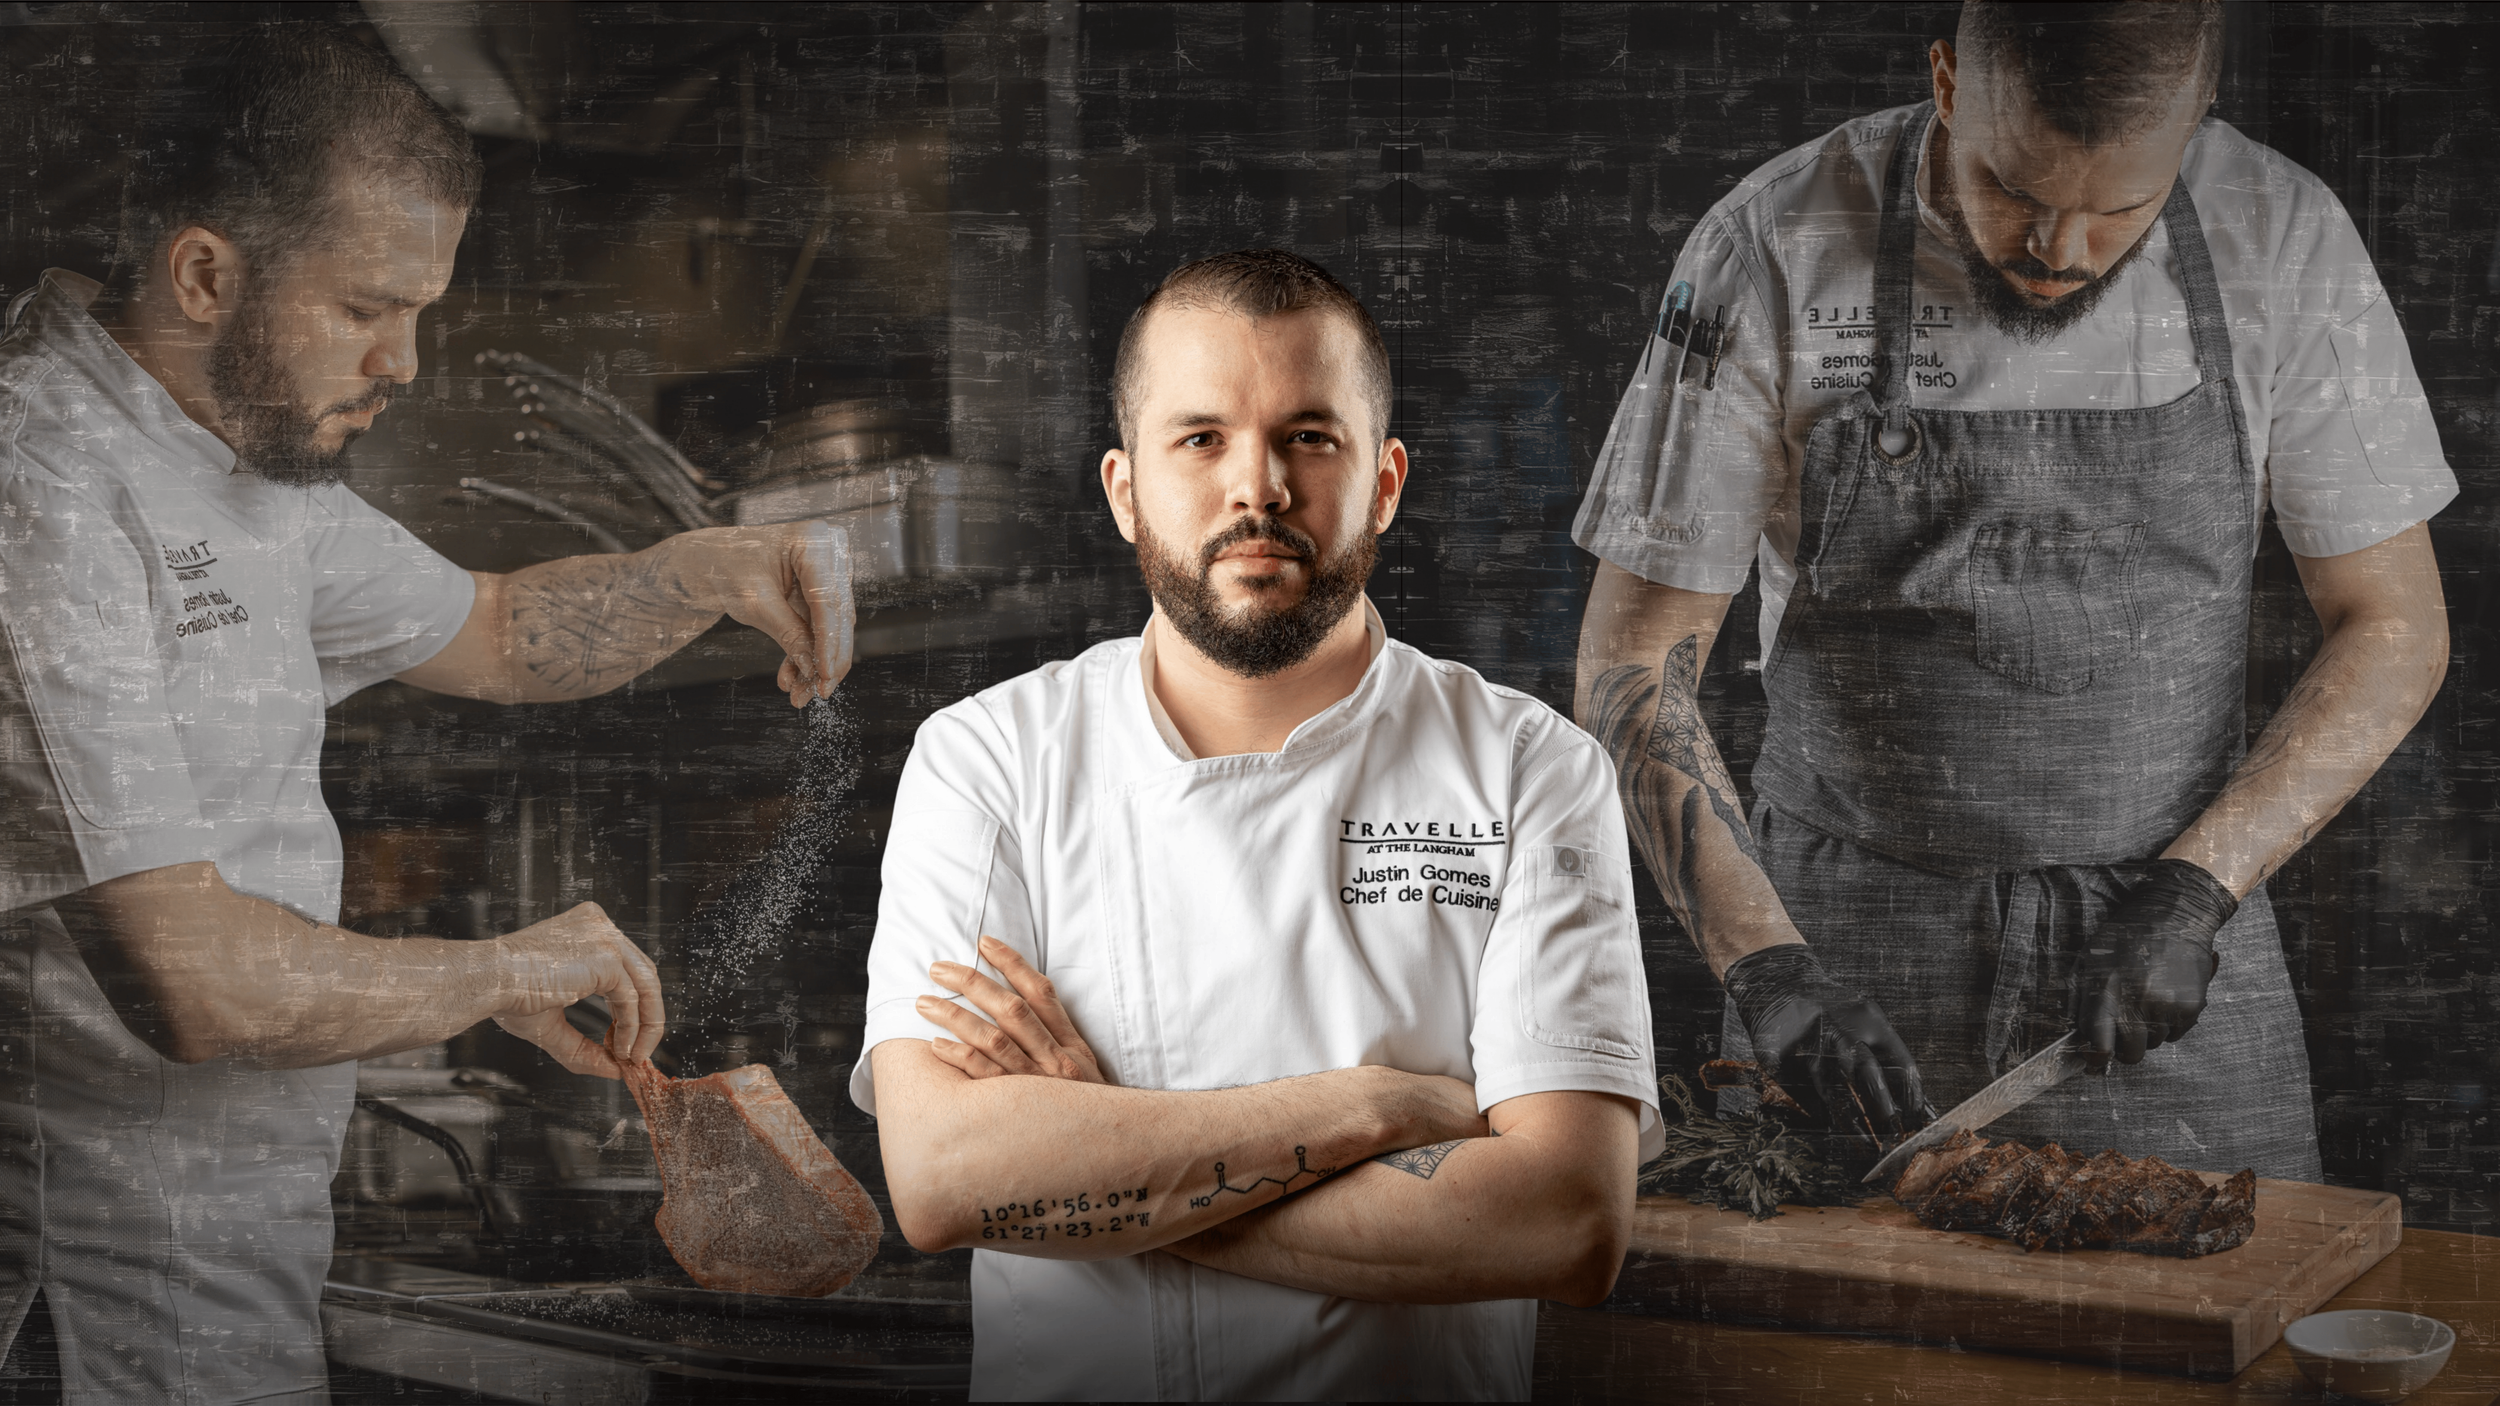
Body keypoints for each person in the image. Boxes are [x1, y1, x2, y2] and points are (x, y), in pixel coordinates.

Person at [0, 25, 853, 1403]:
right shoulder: (43, 488)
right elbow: (194, 985)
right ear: (206, 272)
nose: (406, 359)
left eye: (426, 309)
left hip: (231, 1260)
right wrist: (500, 971)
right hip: (84, 1300)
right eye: (366, 306)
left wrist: (700, 573)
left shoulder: (238, 467)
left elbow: (502, 630)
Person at [1572, 0, 2453, 1180]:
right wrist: (1766, 967)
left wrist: (2198, 891)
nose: (2060, 249)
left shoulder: (2286, 241)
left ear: (2195, 120)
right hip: (1842, 960)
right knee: (1819, 1350)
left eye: (2117, 208)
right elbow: (1633, 659)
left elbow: (2394, 625)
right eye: (2012, 190)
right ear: (1945, 82)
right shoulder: (1772, 243)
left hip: (2170, 950)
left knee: (2226, 1323)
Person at [857, 249, 1661, 1401]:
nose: (1258, 487)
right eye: (1201, 438)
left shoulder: (1530, 769)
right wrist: (1377, 1105)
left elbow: (1565, 1223)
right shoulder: (988, 758)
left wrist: (1100, 1166)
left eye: (1308, 436)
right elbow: (943, 1176)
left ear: (1383, 481)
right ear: (1125, 488)